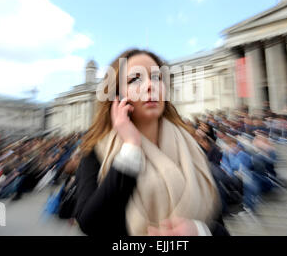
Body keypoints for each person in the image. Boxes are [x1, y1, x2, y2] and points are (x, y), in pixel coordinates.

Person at [74, 49, 227, 236]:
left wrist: (201, 231)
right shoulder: (95, 152)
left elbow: (218, 222)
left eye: (156, 78)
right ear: (117, 97)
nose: (150, 86)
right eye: (134, 80)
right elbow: (90, 223)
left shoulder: (192, 147)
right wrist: (131, 147)